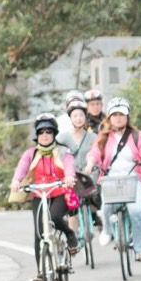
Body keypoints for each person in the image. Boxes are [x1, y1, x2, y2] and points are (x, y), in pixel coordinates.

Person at [88, 97, 141, 261]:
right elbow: (94, 153)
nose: (118, 118)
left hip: (133, 179)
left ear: (127, 117)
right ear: (109, 118)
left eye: (122, 114)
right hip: (111, 180)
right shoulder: (103, 137)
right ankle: (107, 230)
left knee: (137, 212)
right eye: (115, 114)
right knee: (106, 208)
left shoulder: (136, 135)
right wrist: (90, 163)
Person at [11, 113, 78, 281]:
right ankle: (41, 271)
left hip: (60, 192)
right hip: (39, 194)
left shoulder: (63, 151)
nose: (45, 135)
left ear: (54, 133)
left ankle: (69, 234)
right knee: (39, 232)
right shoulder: (31, 153)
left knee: (54, 217)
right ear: (37, 135)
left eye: (49, 131)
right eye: (41, 132)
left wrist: (69, 177)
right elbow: (22, 168)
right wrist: (16, 181)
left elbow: (69, 166)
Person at [57, 92, 103, 240]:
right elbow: (56, 153)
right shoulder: (62, 137)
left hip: (89, 174)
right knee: (72, 208)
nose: (78, 118)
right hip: (71, 177)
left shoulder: (93, 137)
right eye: (75, 116)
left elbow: (98, 154)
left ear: (85, 117)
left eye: (81, 115)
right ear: (70, 118)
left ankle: (95, 216)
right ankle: (73, 237)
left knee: (96, 195)